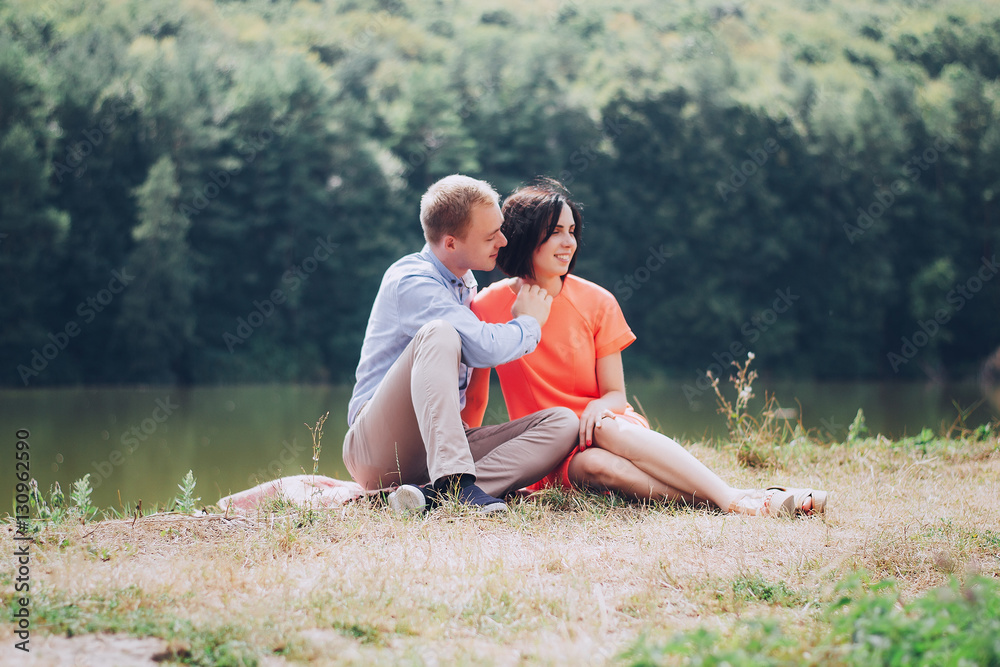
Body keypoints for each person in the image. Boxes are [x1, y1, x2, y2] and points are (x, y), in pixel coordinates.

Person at [464, 179, 827, 516]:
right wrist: (457, 462)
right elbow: (477, 402)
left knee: (605, 430)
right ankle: (743, 498)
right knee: (595, 467)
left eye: (572, 231)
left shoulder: (596, 301)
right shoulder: (486, 307)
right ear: (526, 236)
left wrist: (597, 408)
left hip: (607, 425)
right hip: (552, 448)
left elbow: (615, 395)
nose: (568, 243)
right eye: (555, 232)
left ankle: (732, 499)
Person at [342, 175, 579, 514]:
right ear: (450, 243)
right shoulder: (411, 280)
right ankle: (456, 483)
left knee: (563, 423)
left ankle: (434, 497)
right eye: (490, 235)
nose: (503, 240)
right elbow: (485, 347)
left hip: (438, 446)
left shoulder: (465, 281)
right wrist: (529, 321)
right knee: (440, 331)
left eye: (500, 228)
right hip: (376, 450)